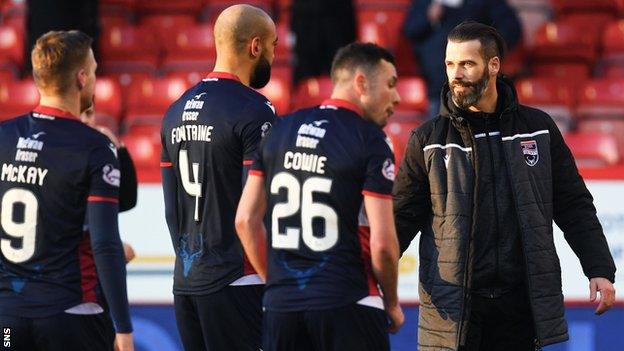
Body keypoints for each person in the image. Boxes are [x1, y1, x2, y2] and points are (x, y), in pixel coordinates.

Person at [393, 21, 616, 351]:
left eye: (467, 63)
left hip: (518, 308)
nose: (456, 74)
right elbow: (400, 219)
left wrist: (599, 268)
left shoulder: (538, 129)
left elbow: (573, 204)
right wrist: (370, 279)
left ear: (493, 65)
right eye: (450, 64)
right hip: (454, 310)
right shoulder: (427, 140)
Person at [235, 42, 404, 351]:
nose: (397, 97)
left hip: (281, 307)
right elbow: (383, 245)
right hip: (348, 300)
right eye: (391, 85)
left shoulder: (279, 129)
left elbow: (245, 220)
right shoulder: (370, 139)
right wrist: (391, 302)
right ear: (361, 83)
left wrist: (275, 283)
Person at [0, 30, 133, 351]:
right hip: (70, 315)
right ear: (82, 77)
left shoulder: (4, 136)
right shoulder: (94, 146)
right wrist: (123, 329)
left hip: (8, 318)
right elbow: (105, 244)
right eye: (96, 72)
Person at [160, 4, 277, 351]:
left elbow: (171, 211)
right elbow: (256, 210)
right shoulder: (255, 110)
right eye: (272, 46)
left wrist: (193, 268)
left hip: (186, 284)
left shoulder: (175, 109)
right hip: (238, 281)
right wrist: (276, 280)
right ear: (255, 47)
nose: (273, 54)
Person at [403, 0, 521, 118]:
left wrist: (487, 48)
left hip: (479, 90)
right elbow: (410, 30)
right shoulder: (426, 3)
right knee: (439, 131)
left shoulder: (485, 4)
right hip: (437, 89)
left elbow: (511, 28)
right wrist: (429, 17)